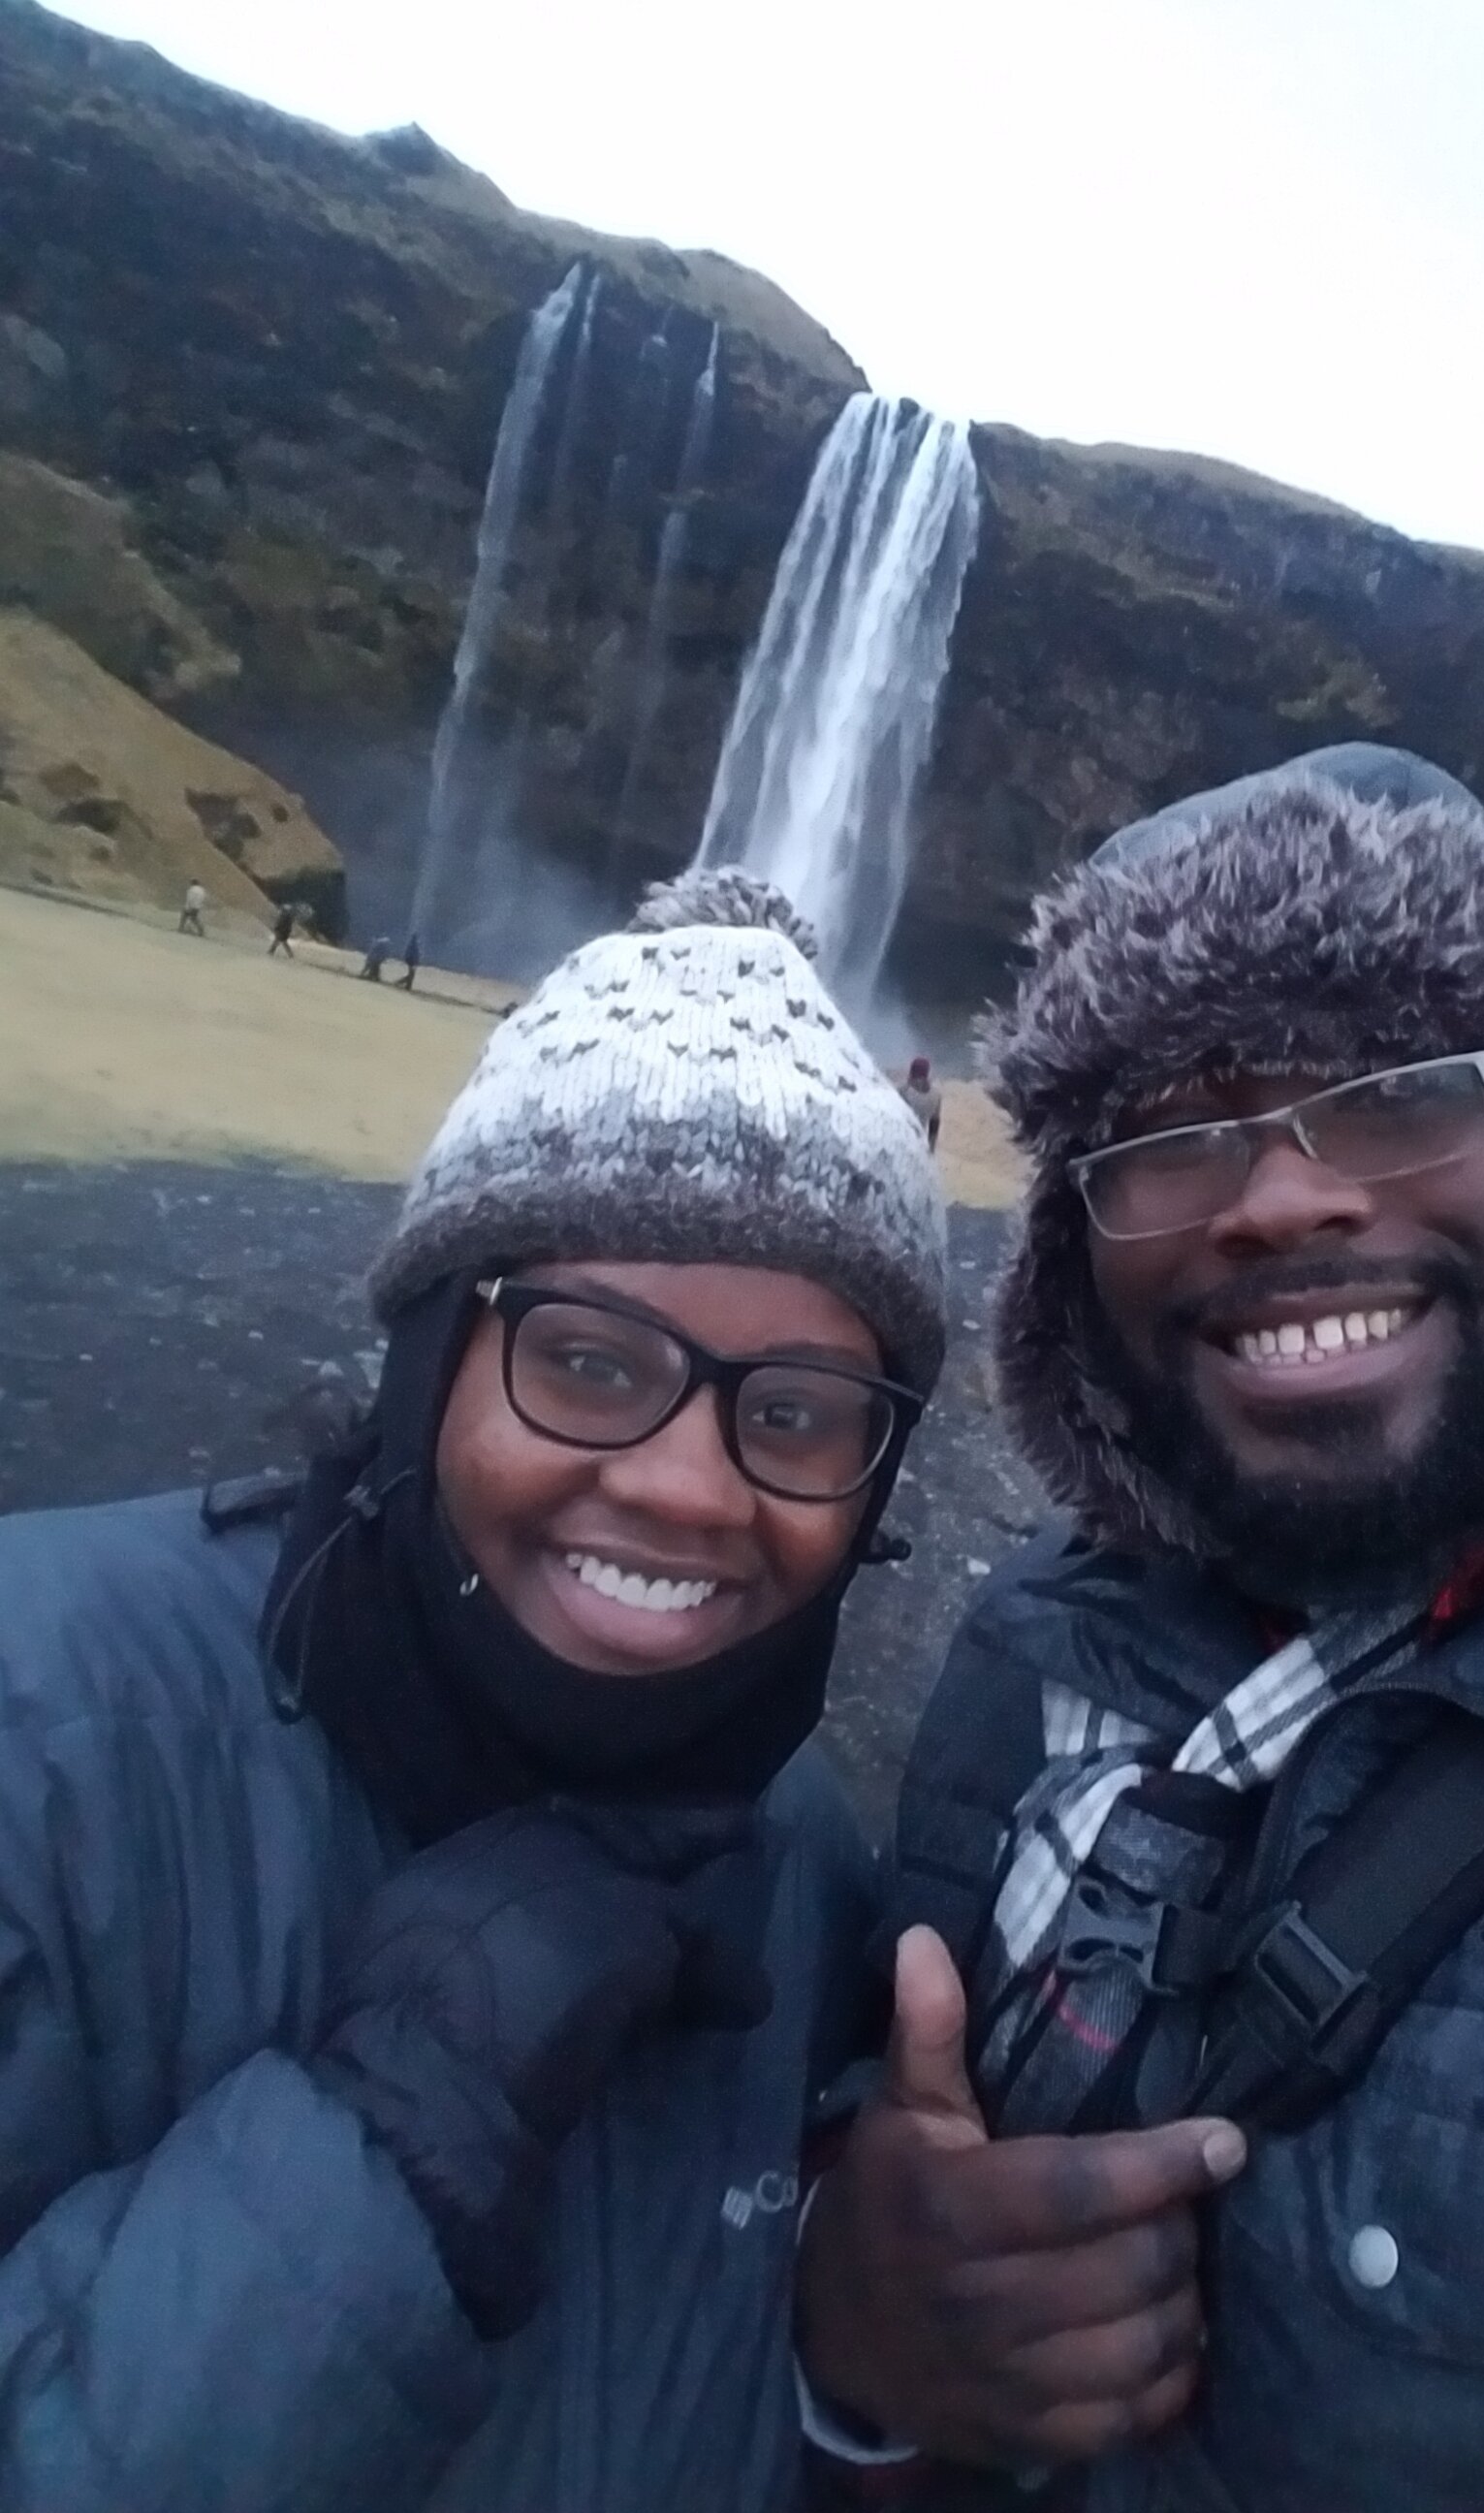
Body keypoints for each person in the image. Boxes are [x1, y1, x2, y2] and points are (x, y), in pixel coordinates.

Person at [797, 748, 1484, 2510]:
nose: (1277, 1195)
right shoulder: (1031, 1650)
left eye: (1388, 1087)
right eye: (1167, 1132)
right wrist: (854, 2343)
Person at [0, 867, 947, 2511]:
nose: (683, 1485)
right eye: (585, 1359)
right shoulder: (39, 1724)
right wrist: (380, 2144)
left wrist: (865, 2382)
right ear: (430, 1358)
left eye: (792, 1411)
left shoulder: (798, 1855)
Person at [900, 1055, 942, 1151]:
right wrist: (931, 1148)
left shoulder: (903, 1091)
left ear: (912, 1072)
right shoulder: (936, 1094)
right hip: (919, 1144)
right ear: (927, 1073)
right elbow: (934, 1123)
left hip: (902, 1142)